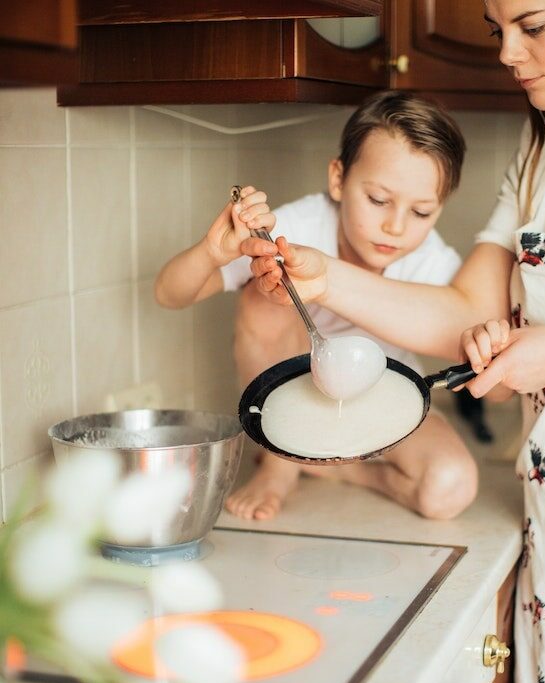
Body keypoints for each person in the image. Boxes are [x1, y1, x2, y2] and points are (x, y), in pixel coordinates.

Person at [245, 2, 545, 683]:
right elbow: (463, 310)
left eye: (531, 25)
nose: (507, 52)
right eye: (498, 29)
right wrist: (331, 280)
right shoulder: (540, 159)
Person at [155, 90, 479, 522]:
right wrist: (212, 253)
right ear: (338, 180)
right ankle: (282, 461)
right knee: (266, 283)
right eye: (379, 200)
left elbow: (470, 341)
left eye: (421, 212)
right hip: (294, 406)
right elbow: (169, 294)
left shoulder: (433, 261)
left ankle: (336, 469)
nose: (395, 226)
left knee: (450, 487)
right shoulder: (296, 228)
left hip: (385, 405)